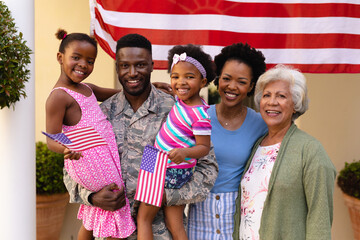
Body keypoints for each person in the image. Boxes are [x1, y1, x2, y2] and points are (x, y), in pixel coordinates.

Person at [63, 33, 218, 240]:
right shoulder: (99, 114)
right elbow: (72, 167)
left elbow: (208, 168)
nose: (132, 73)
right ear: (117, 67)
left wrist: (165, 196)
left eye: (141, 65)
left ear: (152, 65)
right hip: (111, 232)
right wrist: (91, 197)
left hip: (160, 232)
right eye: (125, 66)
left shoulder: (176, 109)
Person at [45, 29, 135, 239]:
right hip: (87, 161)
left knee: (97, 213)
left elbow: (123, 94)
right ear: (60, 57)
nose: (83, 65)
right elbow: (51, 137)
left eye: (90, 60)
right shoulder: (59, 97)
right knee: (115, 204)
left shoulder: (87, 88)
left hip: (102, 159)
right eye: (76, 58)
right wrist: (65, 149)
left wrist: (150, 88)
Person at [233, 64, 337, 240]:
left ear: (295, 104)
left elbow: (320, 217)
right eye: (267, 95)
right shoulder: (257, 146)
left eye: (281, 96)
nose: (272, 102)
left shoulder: (311, 150)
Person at [187, 42, 268, 239]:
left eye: (241, 81)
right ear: (217, 79)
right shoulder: (198, 116)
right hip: (199, 213)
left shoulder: (261, 124)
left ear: (251, 86)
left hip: (238, 218)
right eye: (226, 79)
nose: (232, 86)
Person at [136, 44, 216, 240]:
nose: (181, 82)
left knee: (143, 219)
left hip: (167, 167)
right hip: (156, 159)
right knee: (175, 224)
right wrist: (156, 86)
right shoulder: (182, 100)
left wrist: (185, 152)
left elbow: (204, 148)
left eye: (189, 77)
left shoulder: (200, 116)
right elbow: (176, 90)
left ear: (203, 81)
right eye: (175, 76)